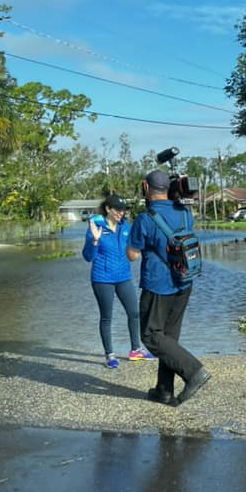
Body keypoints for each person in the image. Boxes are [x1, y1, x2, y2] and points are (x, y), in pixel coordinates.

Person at [127, 169, 210, 407]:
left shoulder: (145, 219)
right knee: (169, 338)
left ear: (146, 187)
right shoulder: (185, 214)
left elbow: (132, 255)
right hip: (184, 282)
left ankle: (194, 371)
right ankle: (164, 391)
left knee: (151, 336)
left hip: (158, 286)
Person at [82, 194, 155, 369]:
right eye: (117, 210)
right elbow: (87, 257)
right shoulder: (95, 226)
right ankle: (110, 355)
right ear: (108, 209)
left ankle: (136, 350)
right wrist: (94, 240)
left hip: (124, 277)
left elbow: (134, 248)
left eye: (122, 210)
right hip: (102, 279)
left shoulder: (125, 227)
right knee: (107, 317)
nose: (121, 213)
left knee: (134, 313)